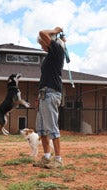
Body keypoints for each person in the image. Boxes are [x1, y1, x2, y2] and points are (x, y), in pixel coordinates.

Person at [33, 27, 66, 169]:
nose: (41, 46)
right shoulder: (51, 54)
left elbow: (41, 32)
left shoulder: (57, 50)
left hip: (51, 94)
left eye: (42, 43)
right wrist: (39, 96)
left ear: (49, 41)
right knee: (41, 128)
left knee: (52, 127)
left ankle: (58, 160)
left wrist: (54, 30)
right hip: (44, 94)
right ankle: (47, 157)